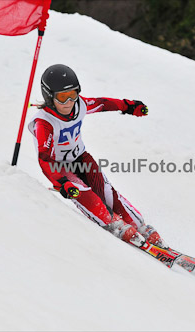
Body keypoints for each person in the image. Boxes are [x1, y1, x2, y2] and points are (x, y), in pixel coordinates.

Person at [28, 64, 167, 249]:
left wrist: (128, 106)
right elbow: (45, 159)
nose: (69, 102)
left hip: (81, 158)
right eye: (62, 97)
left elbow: (102, 103)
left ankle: (141, 227)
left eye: (73, 94)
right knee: (83, 192)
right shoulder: (44, 122)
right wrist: (62, 182)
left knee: (107, 193)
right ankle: (115, 225)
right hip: (59, 167)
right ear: (49, 97)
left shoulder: (80, 105)